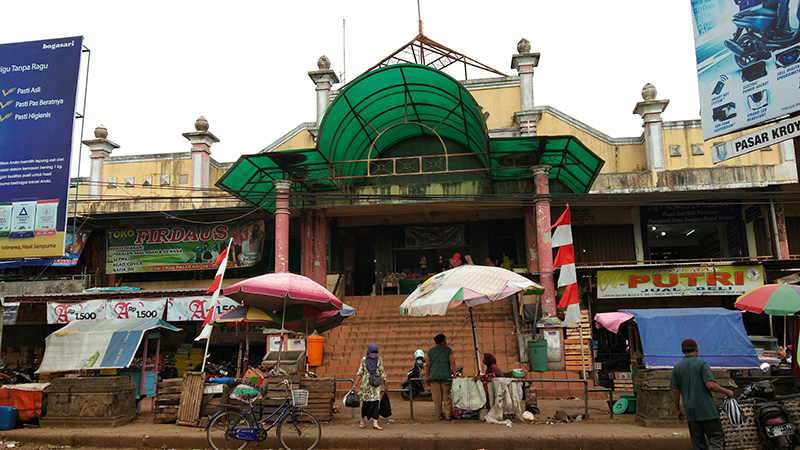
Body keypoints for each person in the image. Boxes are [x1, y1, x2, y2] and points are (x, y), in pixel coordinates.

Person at [670, 338, 734, 450]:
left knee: (698, 443)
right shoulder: (702, 364)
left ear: (682, 351)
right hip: (707, 410)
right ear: (696, 349)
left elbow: (675, 391)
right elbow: (710, 384)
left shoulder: (677, 368)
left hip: (691, 412)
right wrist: (726, 391)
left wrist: (678, 410)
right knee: (716, 437)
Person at [422, 333, 456, 420]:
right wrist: (455, 375)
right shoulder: (448, 350)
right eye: (445, 340)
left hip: (434, 377)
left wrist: (427, 377)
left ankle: (439, 415)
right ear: (442, 341)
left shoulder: (431, 351)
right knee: (447, 397)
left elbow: (427, 365)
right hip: (445, 376)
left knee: (437, 398)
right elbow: (453, 362)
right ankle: (448, 414)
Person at [355, 343, 385, 430]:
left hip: (375, 386)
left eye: (375, 352)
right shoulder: (364, 360)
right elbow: (360, 373)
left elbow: (382, 372)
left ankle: (375, 423)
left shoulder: (379, 360)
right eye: (373, 352)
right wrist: (355, 385)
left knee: (375, 403)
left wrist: (385, 384)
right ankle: (362, 421)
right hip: (366, 387)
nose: (374, 354)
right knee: (365, 404)